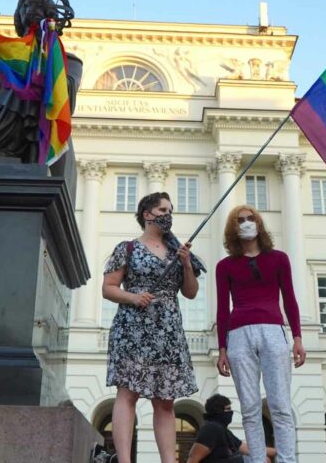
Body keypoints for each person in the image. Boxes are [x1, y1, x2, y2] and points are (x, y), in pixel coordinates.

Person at [102, 192, 203, 463]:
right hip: (133, 328)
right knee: (127, 393)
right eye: (162, 209)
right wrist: (134, 297)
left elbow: (191, 292)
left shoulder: (177, 251)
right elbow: (108, 288)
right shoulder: (127, 248)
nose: (168, 214)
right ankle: (124, 460)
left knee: (165, 400)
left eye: (170, 210)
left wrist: (185, 263)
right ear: (147, 214)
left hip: (168, 331)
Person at [215, 205, 306, 463]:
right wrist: (222, 348)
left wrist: (297, 337)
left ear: (259, 224)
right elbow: (223, 308)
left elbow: (289, 299)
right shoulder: (225, 266)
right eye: (240, 220)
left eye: (250, 219)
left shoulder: (278, 259)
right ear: (233, 228)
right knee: (250, 408)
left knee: (280, 405)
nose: (245, 223)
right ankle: (256, 460)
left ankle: (287, 460)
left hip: (273, 331)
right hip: (239, 335)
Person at [187, 394, 276, 463]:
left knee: (263, 459)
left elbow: (249, 449)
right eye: (228, 409)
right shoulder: (211, 428)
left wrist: (279, 450)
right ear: (218, 411)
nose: (231, 412)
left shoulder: (223, 430)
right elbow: (193, 457)